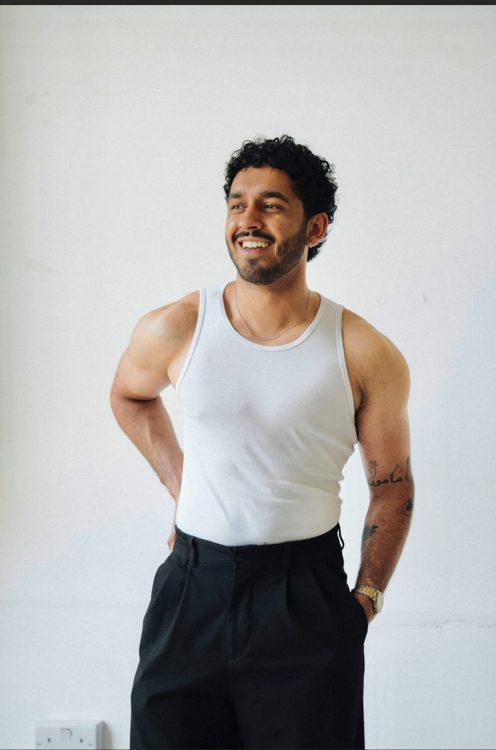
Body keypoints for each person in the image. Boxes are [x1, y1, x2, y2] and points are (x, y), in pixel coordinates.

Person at [110, 134, 414, 750]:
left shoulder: (362, 351)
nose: (248, 220)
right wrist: (181, 485)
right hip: (190, 590)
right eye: (237, 203)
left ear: (315, 227)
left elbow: (393, 488)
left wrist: (365, 601)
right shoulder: (177, 327)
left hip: (303, 598)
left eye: (271, 205)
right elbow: (129, 396)